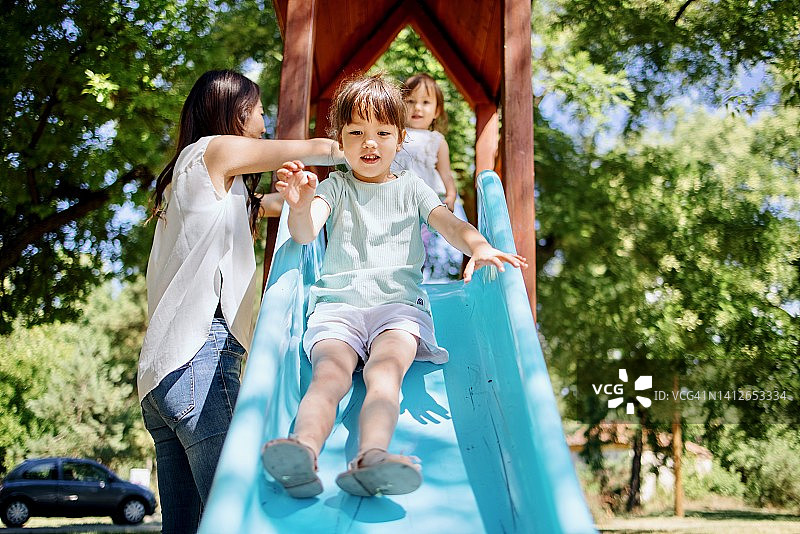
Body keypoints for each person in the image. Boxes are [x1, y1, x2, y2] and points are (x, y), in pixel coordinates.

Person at [261, 73, 526, 498]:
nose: (370, 143)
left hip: (398, 311)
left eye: (383, 133)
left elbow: (449, 224)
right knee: (328, 377)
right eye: (357, 133)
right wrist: (299, 205)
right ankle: (302, 452)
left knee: (386, 375)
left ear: (401, 138)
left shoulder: (413, 187)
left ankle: (372, 458)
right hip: (338, 309)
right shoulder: (334, 186)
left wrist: (478, 245)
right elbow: (307, 232)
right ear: (340, 141)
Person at [137, 69, 343, 533]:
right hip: (199, 359)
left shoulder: (199, 184)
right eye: (258, 108)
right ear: (236, 112)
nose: (264, 118)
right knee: (237, 518)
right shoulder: (214, 149)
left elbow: (273, 205)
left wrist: (299, 197)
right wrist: (363, 150)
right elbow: (310, 149)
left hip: (159, 375)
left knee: (189, 527)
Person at [391, 73, 469, 281]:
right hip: (393, 197)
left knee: (418, 241)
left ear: (436, 111)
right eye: (410, 101)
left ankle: (415, 277)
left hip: (422, 203)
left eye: (426, 102)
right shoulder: (393, 133)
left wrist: (451, 195)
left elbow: (445, 172)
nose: (417, 108)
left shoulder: (437, 140)